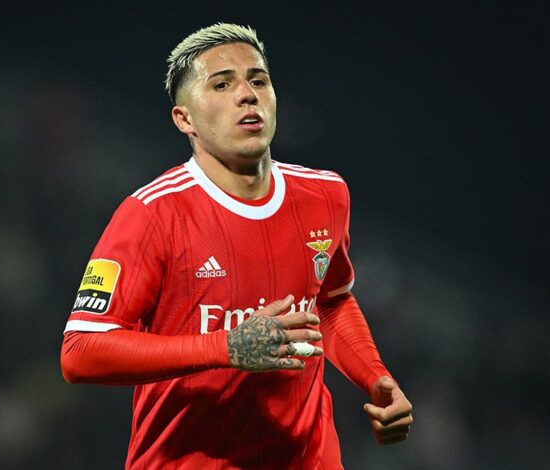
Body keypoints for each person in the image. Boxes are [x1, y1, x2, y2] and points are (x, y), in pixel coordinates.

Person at [60, 23, 413, 469]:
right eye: (222, 84)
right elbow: (81, 352)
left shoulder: (327, 195)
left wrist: (375, 377)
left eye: (258, 80)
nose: (247, 94)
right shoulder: (151, 214)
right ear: (184, 119)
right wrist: (226, 347)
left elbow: (331, 301)